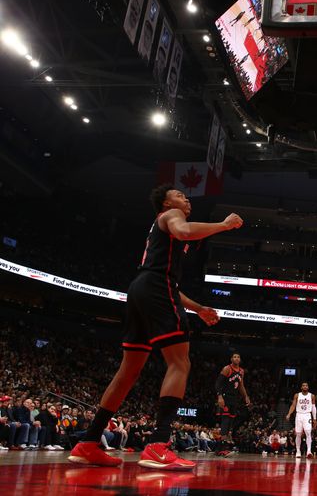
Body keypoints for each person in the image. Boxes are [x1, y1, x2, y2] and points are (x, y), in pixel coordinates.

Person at [68, 185, 243, 469]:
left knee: (128, 370)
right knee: (179, 363)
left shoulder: (164, 231)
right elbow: (184, 235)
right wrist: (223, 225)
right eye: (178, 194)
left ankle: (88, 442)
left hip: (142, 289)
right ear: (165, 202)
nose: (185, 197)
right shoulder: (172, 215)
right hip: (155, 287)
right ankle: (158, 445)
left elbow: (168, 284)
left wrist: (198, 308)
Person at [215, 353, 251, 456]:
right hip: (225, 397)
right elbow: (218, 383)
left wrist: (246, 396)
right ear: (231, 359)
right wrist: (220, 396)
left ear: (240, 359)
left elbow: (241, 386)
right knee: (225, 422)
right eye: (234, 357)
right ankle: (222, 448)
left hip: (234, 399)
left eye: (238, 357)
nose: (236, 358)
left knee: (230, 422)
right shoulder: (227, 368)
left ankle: (220, 448)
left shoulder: (241, 371)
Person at [285, 382, 317, 459]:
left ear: (308, 387)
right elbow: (293, 405)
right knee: (298, 434)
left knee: (308, 433)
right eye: (303, 385)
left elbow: (313, 407)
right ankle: (298, 451)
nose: (305, 386)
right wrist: (289, 414)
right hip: (299, 415)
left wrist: (314, 418)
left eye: (306, 385)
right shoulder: (297, 395)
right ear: (301, 387)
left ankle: (309, 451)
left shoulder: (312, 396)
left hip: (307, 415)